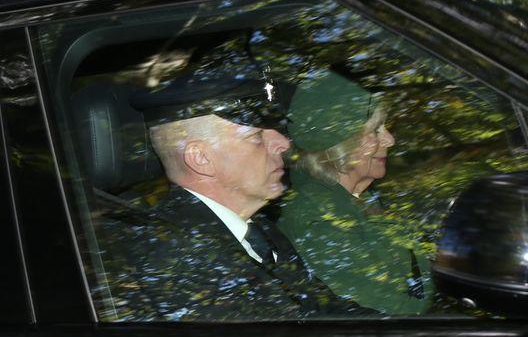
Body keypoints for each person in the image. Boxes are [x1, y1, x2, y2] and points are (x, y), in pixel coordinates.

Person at [108, 63, 365, 320]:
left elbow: (330, 313)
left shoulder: (262, 232)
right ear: (201, 158)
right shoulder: (171, 257)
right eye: (255, 137)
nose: (283, 143)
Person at [278, 71, 433, 314]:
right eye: (375, 130)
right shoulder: (315, 216)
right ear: (338, 142)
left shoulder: (364, 202)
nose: (390, 140)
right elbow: (377, 307)